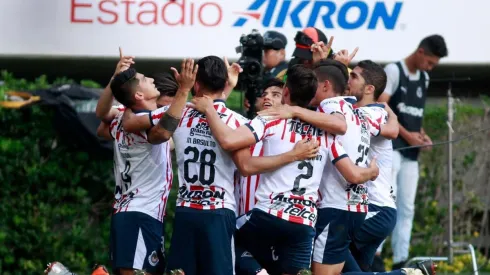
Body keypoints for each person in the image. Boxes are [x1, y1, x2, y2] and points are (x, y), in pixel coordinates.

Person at [96, 58, 197, 275]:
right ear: (139, 96)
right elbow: (165, 128)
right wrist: (185, 89)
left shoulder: (122, 117)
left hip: (136, 212)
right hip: (139, 212)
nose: (151, 78)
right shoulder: (142, 119)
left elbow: (101, 116)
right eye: (144, 79)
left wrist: (115, 78)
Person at [377, 34, 448, 270]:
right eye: (429, 62)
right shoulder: (394, 70)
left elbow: (415, 114)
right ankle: (374, 253)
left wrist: (422, 134)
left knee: (407, 207)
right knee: (388, 200)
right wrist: (407, 135)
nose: (430, 68)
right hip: (393, 148)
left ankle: (401, 258)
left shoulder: (424, 78)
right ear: (420, 52)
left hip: (411, 154)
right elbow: (382, 104)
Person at [341, 60, 399, 272]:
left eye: (354, 76)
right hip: (373, 209)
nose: (348, 80)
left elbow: (339, 121)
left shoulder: (369, 113)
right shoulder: (374, 113)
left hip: (374, 209)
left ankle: (407, 272)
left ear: (369, 89)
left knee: (326, 241)